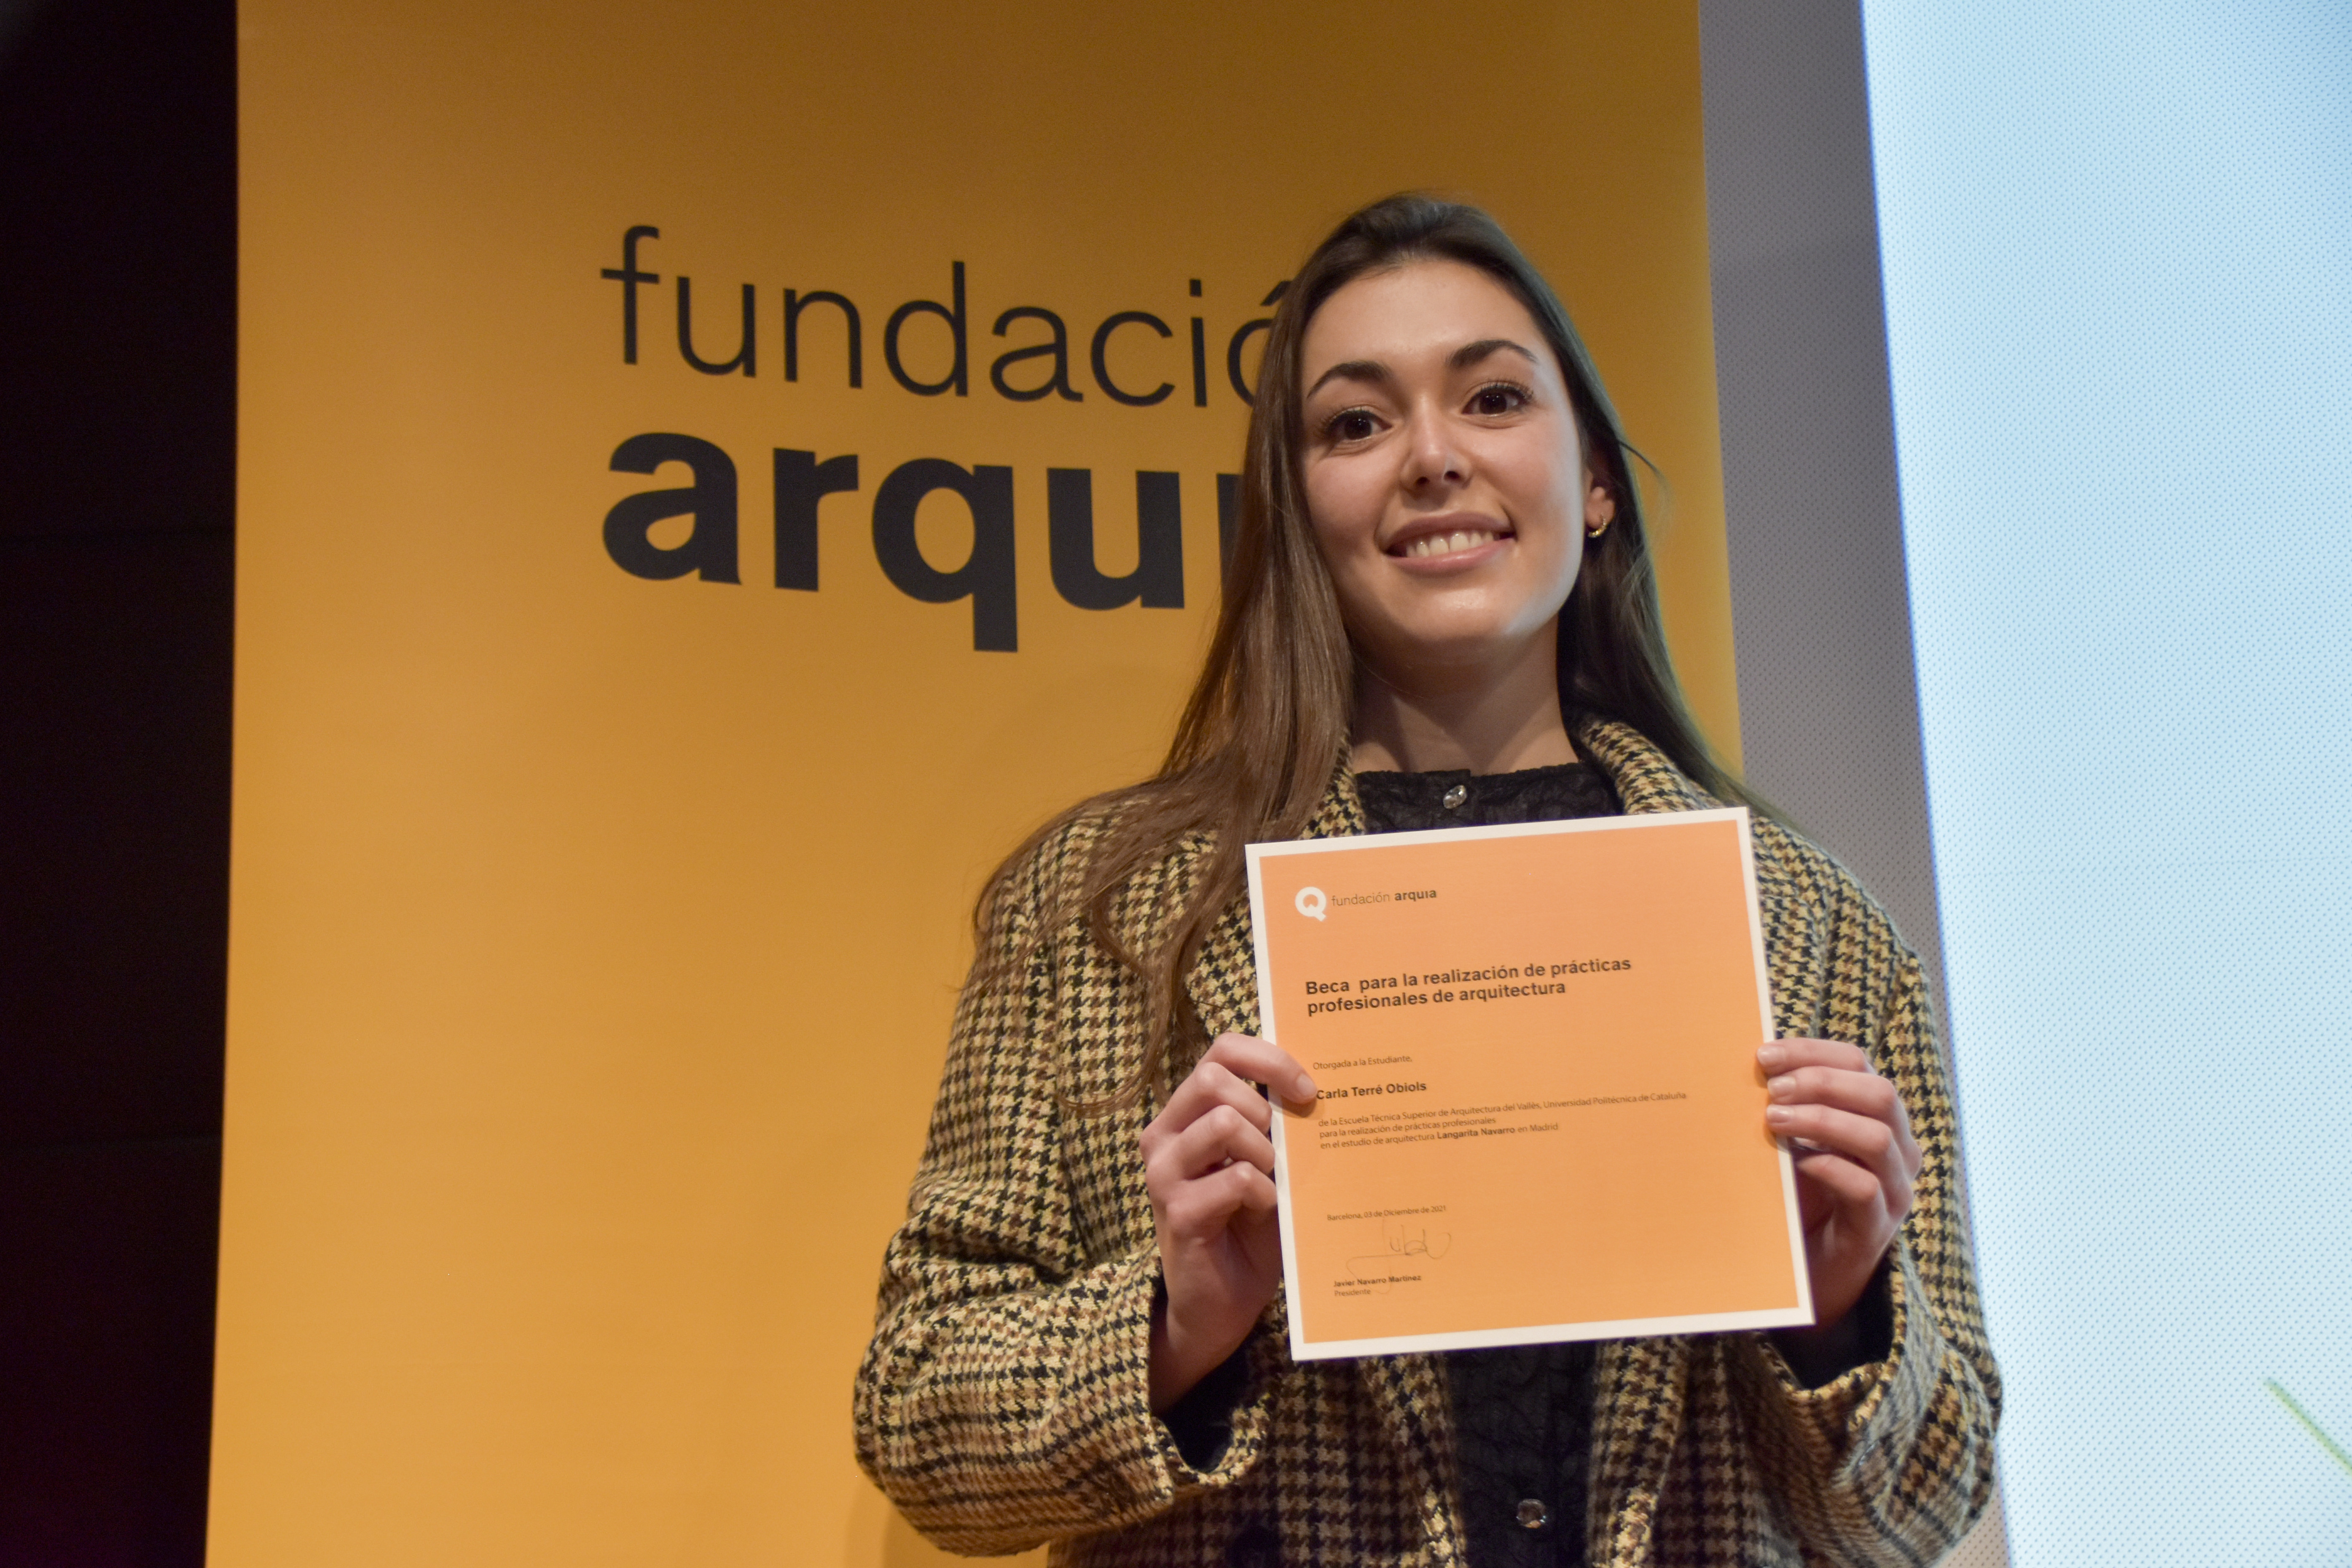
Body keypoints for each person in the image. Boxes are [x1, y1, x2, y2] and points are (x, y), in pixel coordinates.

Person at [853, 195, 1998, 1567]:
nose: (1433, 457)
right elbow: (917, 1417)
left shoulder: (1809, 922)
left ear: (1595, 481)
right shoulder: (1101, 911)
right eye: (1355, 423)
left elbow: (1928, 1507)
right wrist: (1174, 1321)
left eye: (1493, 398)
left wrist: (1839, 1314)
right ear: (1297, 510)